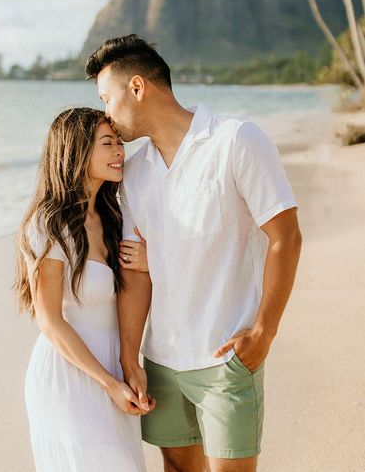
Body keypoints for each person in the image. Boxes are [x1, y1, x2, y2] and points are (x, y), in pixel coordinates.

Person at [85, 35, 303, 472]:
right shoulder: (135, 172)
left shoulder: (235, 140)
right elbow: (137, 271)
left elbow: (286, 237)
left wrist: (263, 333)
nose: (105, 114)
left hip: (226, 357)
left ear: (138, 88)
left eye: (107, 98)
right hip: (162, 361)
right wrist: (131, 355)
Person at [14, 107, 153, 472]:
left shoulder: (114, 217)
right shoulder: (48, 224)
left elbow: (136, 290)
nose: (120, 152)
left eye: (120, 143)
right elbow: (50, 321)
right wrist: (108, 383)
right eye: (108, 144)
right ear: (75, 151)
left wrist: (150, 262)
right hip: (68, 375)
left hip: (112, 365)